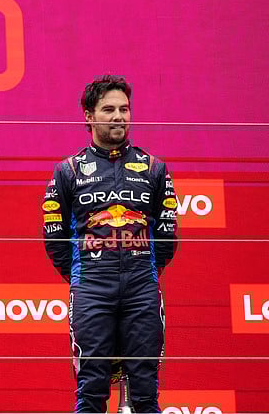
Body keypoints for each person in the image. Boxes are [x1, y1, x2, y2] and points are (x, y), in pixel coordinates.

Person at [43, 75, 178, 413]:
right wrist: (83, 275)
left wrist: (144, 269)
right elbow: (55, 238)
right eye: (109, 109)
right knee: (91, 390)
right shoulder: (68, 171)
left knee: (146, 392)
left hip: (142, 288)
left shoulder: (154, 169)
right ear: (89, 116)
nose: (119, 116)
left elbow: (167, 232)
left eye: (125, 109)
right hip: (91, 288)